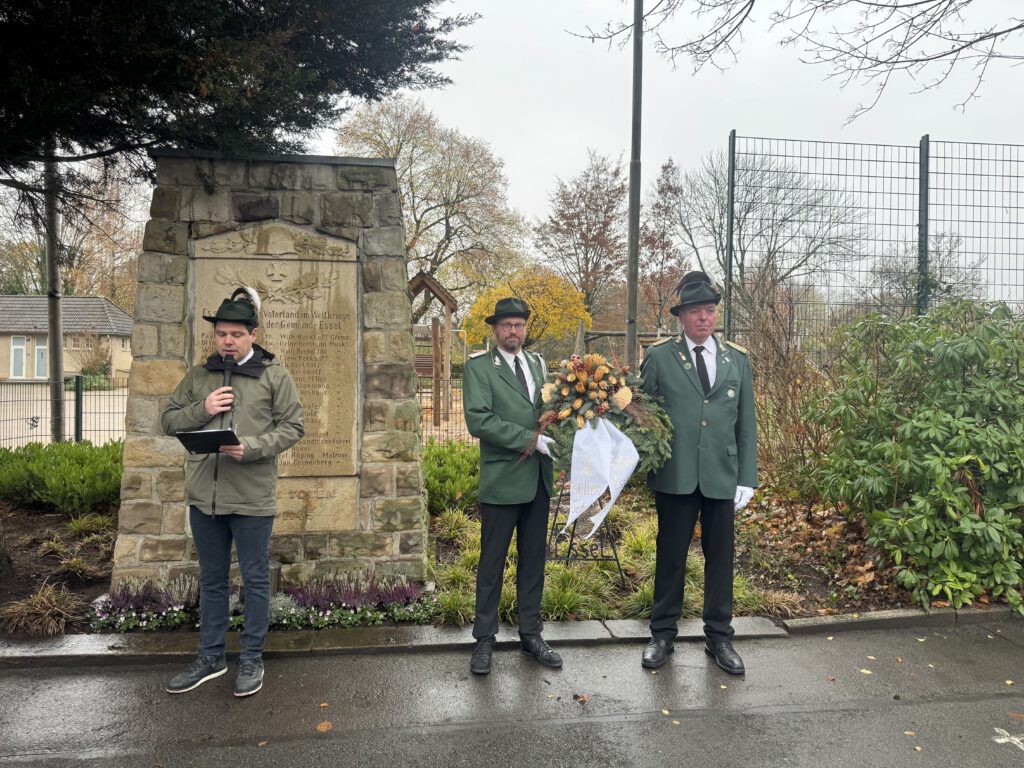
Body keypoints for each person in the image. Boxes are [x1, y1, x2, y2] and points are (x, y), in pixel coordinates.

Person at [161, 287, 304, 697]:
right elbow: (168, 420)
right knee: (212, 580)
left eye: (236, 334)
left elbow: (293, 426)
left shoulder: (273, 375)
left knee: (256, 580)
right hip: (204, 498)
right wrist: (202, 410)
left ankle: (252, 658)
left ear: (252, 335)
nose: (227, 341)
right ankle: (210, 657)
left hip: (252, 498)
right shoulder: (199, 376)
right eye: (221, 333)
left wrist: (252, 447)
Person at [638, 271, 757, 675]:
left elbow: (747, 423)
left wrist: (747, 477)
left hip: (722, 474)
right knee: (671, 555)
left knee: (720, 558)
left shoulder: (736, 359)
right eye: (695, 312)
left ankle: (719, 637)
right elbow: (643, 414)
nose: (704, 318)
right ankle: (662, 635)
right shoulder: (659, 357)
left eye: (709, 310)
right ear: (681, 317)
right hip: (676, 473)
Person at [462, 297, 559, 675]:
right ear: (495, 329)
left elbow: (548, 411)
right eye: (506, 325)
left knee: (534, 562)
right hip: (503, 478)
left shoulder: (538, 364)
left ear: (525, 328)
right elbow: (480, 421)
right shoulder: (480, 367)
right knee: (492, 563)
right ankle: (484, 639)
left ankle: (531, 635)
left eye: (518, 325)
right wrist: (532, 440)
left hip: (538, 480)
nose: (513, 331)